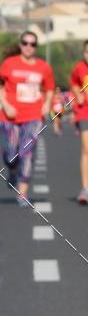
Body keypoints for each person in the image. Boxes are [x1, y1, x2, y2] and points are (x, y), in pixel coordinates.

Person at [0, 30, 54, 206]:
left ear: (36, 47)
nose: (29, 47)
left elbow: (50, 88)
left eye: (33, 44)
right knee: (11, 156)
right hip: (9, 116)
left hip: (33, 116)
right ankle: (12, 172)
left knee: (26, 152)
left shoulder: (44, 67)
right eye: (25, 43)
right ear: (20, 45)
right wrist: (6, 105)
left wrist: (47, 103)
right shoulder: (8, 64)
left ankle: (23, 193)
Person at [69, 40, 88, 204]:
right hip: (85, 112)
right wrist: (78, 93)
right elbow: (74, 82)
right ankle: (85, 189)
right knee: (87, 149)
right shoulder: (79, 68)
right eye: (87, 52)